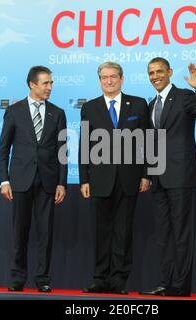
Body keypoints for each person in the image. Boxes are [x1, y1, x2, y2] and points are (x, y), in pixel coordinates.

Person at [140, 58, 196, 297]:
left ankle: (180, 286)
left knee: (182, 234)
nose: (155, 76)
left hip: (182, 176)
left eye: (159, 71)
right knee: (163, 235)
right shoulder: (151, 105)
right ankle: (165, 282)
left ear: (169, 72)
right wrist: (148, 174)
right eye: (151, 72)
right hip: (158, 179)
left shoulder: (184, 96)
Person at [79, 61, 150, 294]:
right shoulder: (89, 108)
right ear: (99, 80)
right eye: (104, 77)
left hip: (130, 178)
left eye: (113, 77)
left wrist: (147, 174)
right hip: (99, 179)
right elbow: (84, 145)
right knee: (102, 232)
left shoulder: (138, 105)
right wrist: (84, 179)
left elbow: (148, 141)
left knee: (123, 232)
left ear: (122, 78)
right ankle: (100, 279)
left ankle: (119, 281)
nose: (108, 81)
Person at [0, 66, 67, 292]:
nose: (50, 87)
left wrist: (61, 183)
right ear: (32, 84)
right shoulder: (14, 111)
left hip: (48, 181)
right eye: (45, 83)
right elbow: (3, 149)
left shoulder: (57, 113)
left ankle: (43, 279)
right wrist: (4, 180)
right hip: (20, 180)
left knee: (46, 233)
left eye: (51, 83)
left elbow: (62, 151)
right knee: (20, 230)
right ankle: (18, 277)